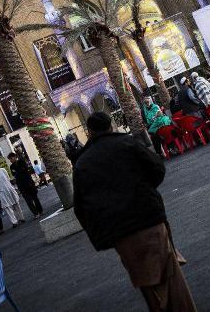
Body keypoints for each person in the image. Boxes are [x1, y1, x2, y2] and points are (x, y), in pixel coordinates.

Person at [74, 113, 197, 312]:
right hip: (149, 219)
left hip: (121, 233)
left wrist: (101, 237)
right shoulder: (127, 143)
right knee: (171, 275)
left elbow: (81, 206)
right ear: (111, 126)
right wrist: (147, 190)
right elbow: (157, 167)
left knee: (146, 283)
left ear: (89, 132)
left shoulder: (82, 163)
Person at [0, 161, 26, 228]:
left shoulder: (2, 170)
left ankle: (21, 218)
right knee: (7, 207)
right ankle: (14, 222)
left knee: (16, 204)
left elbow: (8, 178)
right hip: (1, 193)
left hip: (9, 189)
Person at [8, 152, 43, 219]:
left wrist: (18, 172)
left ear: (15, 157)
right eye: (10, 159)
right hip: (21, 186)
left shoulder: (21, 161)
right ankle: (35, 214)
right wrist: (19, 171)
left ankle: (40, 211)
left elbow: (25, 170)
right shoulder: (11, 166)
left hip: (29, 183)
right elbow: (14, 174)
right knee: (28, 201)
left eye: (11, 158)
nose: (10, 160)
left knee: (35, 198)